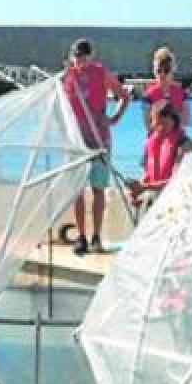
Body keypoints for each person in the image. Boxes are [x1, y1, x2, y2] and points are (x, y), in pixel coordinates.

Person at [62, 38, 130, 255]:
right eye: (77, 57)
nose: (81, 61)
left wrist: (113, 119)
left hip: (99, 138)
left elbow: (124, 96)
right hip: (76, 140)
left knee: (98, 188)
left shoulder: (100, 73)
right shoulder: (67, 78)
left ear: (91, 56)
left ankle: (96, 235)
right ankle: (82, 235)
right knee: (77, 189)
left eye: (84, 57)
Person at [129, 102, 192, 209]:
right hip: (154, 197)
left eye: (164, 124)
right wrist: (136, 191)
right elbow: (148, 174)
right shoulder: (151, 141)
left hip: (176, 201)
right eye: (157, 124)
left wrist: (145, 187)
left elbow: (177, 181)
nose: (160, 128)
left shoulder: (184, 144)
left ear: (174, 121)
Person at [141, 47, 190, 129]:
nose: (162, 74)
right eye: (158, 71)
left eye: (166, 70)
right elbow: (148, 125)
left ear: (173, 70)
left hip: (177, 134)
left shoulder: (182, 93)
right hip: (157, 134)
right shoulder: (148, 95)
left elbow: (186, 121)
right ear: (154, 71)